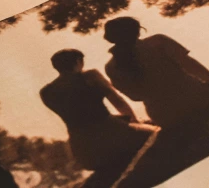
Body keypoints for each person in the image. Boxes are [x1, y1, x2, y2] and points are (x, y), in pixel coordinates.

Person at [40, 48, 154, 180]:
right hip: (112, 137)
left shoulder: (46, 92)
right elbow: (117, 101)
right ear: (78, 61)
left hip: (84, 152)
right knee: (155, 134)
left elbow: (81, 115)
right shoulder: (90, 76)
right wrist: (135, 122)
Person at [104, 18, 209, 130]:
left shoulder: (110, 67)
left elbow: (134, 97)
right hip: (196, 98)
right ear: (137, 30)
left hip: (163, 115)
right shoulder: (158, 42)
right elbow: (192, 66)